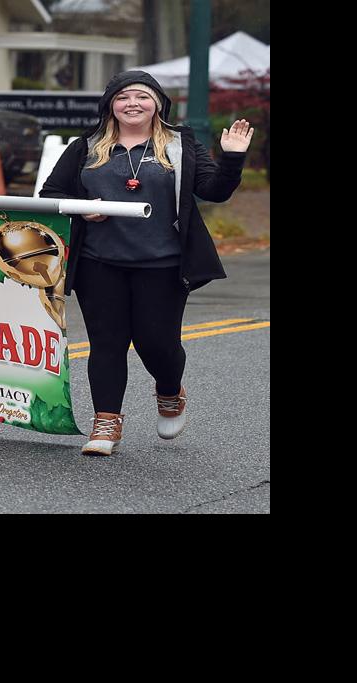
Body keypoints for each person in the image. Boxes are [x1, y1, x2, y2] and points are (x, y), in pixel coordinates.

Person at [38, 70, 252, 456]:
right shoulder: (87, 146)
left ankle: (169, 391)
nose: (132, 104)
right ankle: (106, 423)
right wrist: (83, 208)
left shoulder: (181, 144)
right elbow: (51, 193)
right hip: (99, 262)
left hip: (163, 263)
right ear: (110, 106)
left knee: (157, 344)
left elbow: (214, 191)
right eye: (122, 97)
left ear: (157, 104)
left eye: (141, 96)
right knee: (107, 344)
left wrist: (232, 157)